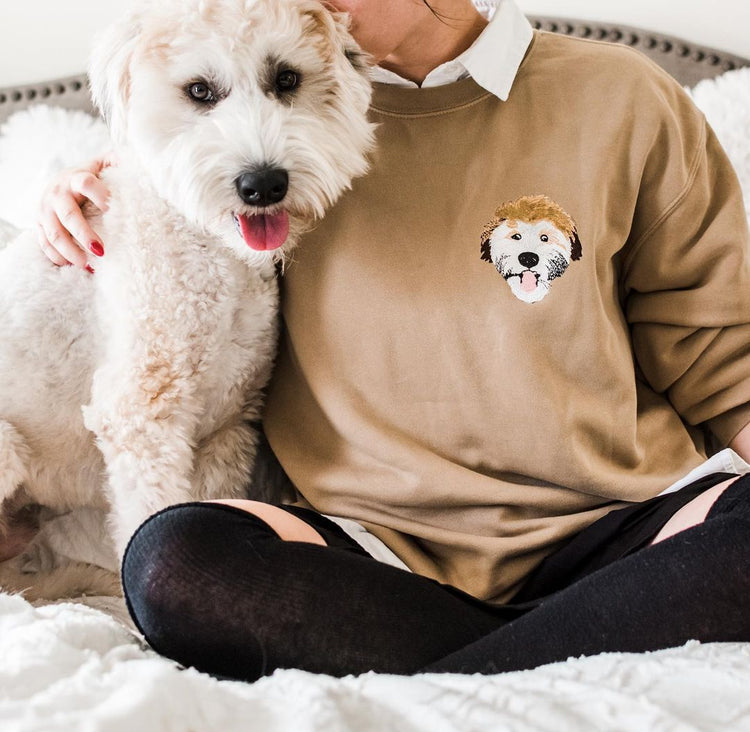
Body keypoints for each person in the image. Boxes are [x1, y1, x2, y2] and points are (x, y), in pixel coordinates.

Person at [37, 0, 750, 681]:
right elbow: (161, 201)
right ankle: (575, 648)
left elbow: (723, 359)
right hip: (369, 553)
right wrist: (77, 195)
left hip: (624, 532)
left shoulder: (622, 96)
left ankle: (465, 671)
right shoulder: (259, 124)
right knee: (174, 563)